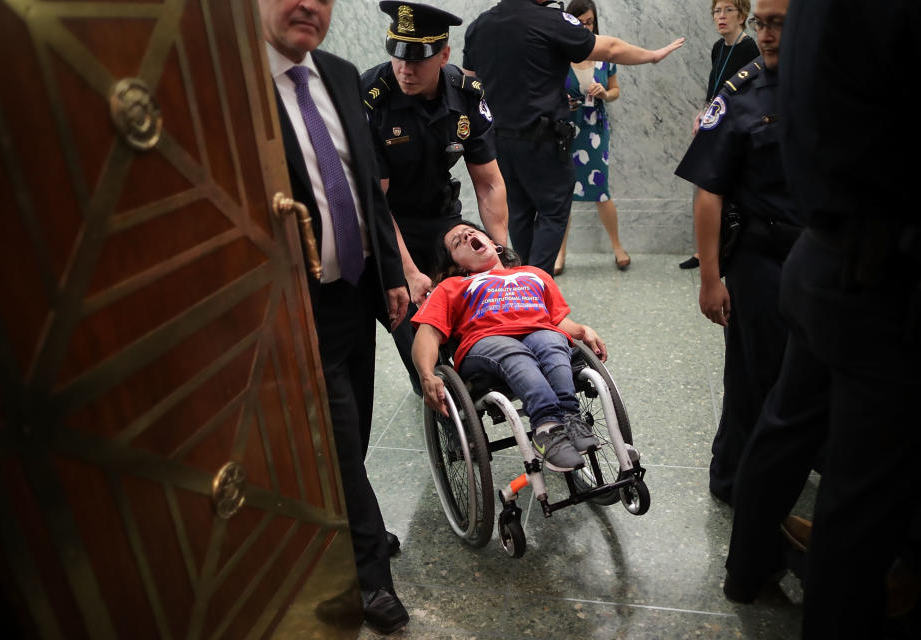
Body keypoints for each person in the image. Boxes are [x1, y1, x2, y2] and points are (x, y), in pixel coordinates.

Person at [775, 0, 921, 636]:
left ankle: (905, 552)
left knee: (858, 495)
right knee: (867, 509)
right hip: (888, 268)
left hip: (834, 255)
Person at [257, 0, 410, 634]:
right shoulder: (238, 92)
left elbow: (366, 179)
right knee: (339, 440)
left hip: (357, 289)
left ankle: (351, 527)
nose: (309, 6)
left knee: (358, 428)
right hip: (296, 303)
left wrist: (393, 276)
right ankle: (369, 577)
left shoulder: (343, 74)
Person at [673, 0, 801, 505]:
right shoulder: (742, 90)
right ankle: (732, 478)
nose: (766, 36)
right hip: (760, 256)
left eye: (779, 26)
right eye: (761, 25)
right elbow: (709, 188)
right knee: (754, 375)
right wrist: (710, 277)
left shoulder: (831, 83)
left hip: (818, 255)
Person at [462, 0, 684, 275]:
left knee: (519, 214)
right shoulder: (550, 20)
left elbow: (470, 84)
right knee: (553, 212)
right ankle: (534, 285)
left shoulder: (478, 27)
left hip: (499, 143)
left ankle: (523, 284)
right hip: (541, 142)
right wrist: (652, 55)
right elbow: (611, 49)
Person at [362, 1, 509, 395]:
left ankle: (484, 370)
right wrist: (409, 273)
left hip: (441, 213)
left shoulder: (465, 94)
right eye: (397, 55)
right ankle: (434, 388)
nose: (404, 69)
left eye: (418, 59)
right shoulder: (372, 97)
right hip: (386, 221)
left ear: (444, 55)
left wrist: (503, 256)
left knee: (477, 281)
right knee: (408, 313)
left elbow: (490, 184)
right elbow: (376, 201)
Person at [411, 221, 607, 472]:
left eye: (472, 232)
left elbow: (557, 320)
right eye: (458, 241)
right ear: (456, 265)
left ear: (493, 243)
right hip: (486, 342)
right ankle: (546, 427)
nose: (467, 235)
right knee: (515, 353)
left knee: (551, 340)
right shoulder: (451, 287)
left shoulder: (535, 275)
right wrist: (427, 374)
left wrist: (583, 330)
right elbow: (427, 334)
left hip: (538, 331)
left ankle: (570, 417)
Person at [680, 0, 760, 270]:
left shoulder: (749, 47)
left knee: (721, 191)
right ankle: (705, 253)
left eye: (728, 10)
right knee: (704, 185)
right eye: (717, 11)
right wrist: (702, 113)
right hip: (714, 126)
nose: (721, 16)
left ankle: (722, 252)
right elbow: (714, 88)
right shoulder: (718, 47)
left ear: (743, 15)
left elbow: (748, 94)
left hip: (734, 131)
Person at [553, 0, 630, 275]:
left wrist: (604, 94)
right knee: (563, 193)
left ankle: (618, 246)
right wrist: (561, 102)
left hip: (595, 128)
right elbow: (546, 92)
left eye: (589, 22)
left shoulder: (603, 54)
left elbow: (615, 91)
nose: (585, 28)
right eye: (580, 22)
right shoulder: (559, 54)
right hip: (565, 129)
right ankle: (559, 252)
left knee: (601, 189)